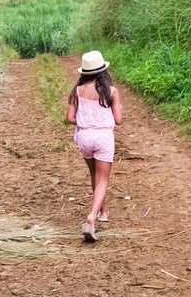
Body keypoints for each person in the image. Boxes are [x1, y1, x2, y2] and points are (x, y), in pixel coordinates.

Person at [66, 51, 123, 242]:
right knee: (103, 179)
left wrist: (86, 121)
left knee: (94, 175)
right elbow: (119, 120)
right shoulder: (111, 91)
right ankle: (92, 216)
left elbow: (70, 118)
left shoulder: (77, 91)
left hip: (84, 138)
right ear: (103, 71)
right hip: (103, 138)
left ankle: (103, 211)